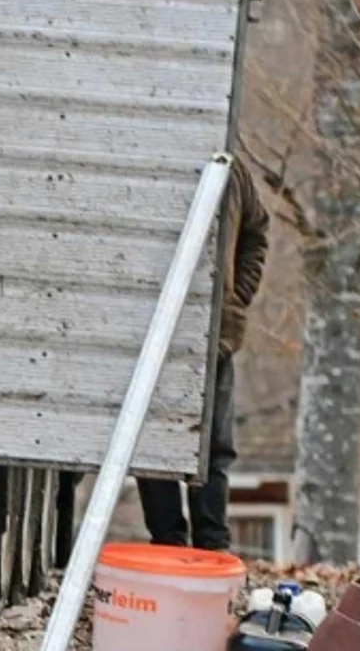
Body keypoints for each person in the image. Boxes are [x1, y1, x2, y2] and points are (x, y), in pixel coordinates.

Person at [137, 157, 269, 552]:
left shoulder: (233, 168)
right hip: (148, 329)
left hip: (216, 337)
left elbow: (256, 231)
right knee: (153, 442)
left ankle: (212, 545)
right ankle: (167, 543)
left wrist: (236, 298)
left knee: (214, 447)